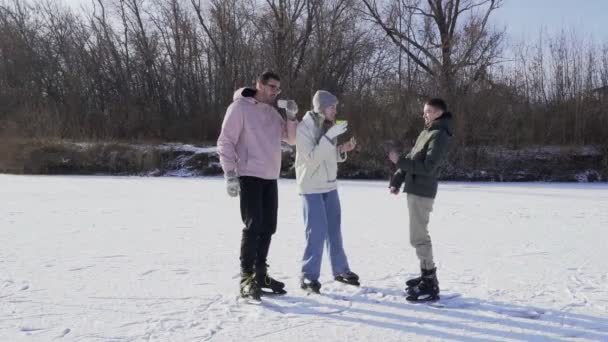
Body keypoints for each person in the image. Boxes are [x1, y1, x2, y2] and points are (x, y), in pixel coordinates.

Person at [217, 71, 298, 301]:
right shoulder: (239, 108)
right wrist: (230, 173)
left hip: (270, 176)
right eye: (272, 87)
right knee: (253, 225)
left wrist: (291, 116)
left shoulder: (273, 114)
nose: (275, 92)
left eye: (278, 89)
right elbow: (225, 141)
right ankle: (246, 277)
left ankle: (260, 273)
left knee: (268, 226)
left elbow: (290, 139)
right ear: (259, 85)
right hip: (249, 174)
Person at [388, 98, 453, 302]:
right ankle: (426, 275)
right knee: (417, 236)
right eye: (424, 111)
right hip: (414, 189)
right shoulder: (426, 132)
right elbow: (413, 156)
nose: (425, 114)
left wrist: (399, 161)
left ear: (440, 113)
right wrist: (397, 178)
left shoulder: (439, 135)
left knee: (418, 237)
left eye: (429, 111)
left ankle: (430, 284)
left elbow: (427, 168)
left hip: (423, 192)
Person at [294, 90, 359, 294]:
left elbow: (327, 157)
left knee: (334, 231)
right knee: (316, 232)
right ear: (321, 107)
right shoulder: (304, 128)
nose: (335, 110)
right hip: (311, 187)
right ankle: (308, 276)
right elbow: (312, 158)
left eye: (335, 107)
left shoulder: (328, 126)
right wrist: (329, 137)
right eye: (332, 107)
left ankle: (340, 270)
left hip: (330, 185)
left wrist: (342, 150)